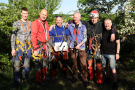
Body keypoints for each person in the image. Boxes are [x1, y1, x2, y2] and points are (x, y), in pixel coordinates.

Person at [81, 10, 117, 87]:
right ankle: (91, 78)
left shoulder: (101, 24)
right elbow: (77, 20)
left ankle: (99, 81)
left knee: (98, 65)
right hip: (89, 48)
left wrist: (113, 32)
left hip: (98, 49)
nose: (93, 19)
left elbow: (112, 25)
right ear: (90, 18)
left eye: (95, 18)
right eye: (92, 18)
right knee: (90, 65)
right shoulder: (87, 23)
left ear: (98, 18)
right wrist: (69, 22)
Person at [11, 7, 32, 88]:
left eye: (26, 13)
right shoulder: (16, 23)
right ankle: (16, 82)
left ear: (28, 14)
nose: (25, 15)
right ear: (21, 13)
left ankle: (25, 78)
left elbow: (33, 35)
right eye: (24, 13)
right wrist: (12, 48)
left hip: (28, 47)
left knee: (26, 65)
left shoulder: (31, 23)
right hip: (19, 47)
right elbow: (13, 36)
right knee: (17, 65)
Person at [68, 12, 89, 87]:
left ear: (80, 18)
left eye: (76, 17)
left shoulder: (83, 27)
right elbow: (61, 25)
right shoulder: (70, 25)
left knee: (83, 64)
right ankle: (75, 77)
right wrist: (52, 26)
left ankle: (85, 79)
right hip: (72, 47)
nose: (75, 18)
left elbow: (85, 38)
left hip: (81, 47)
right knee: (74, 63)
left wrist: (79, 45)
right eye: (74, 17)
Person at [48, 16, 71, 83]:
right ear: (55, 21)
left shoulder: (66, 28)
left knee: (65, 62)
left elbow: (69, 38)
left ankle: (66, 74)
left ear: (62, 21)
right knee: (54, 62)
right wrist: (53, 45)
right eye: (57, 20)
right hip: (55, 48)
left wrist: (68, 45)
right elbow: (49, 40)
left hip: (64, 48)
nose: (58, 21)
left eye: (59, 20)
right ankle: (53, 76)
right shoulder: (52, 28)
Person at [31, 9, 50, 86]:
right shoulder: (35, 23)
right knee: (38, 63)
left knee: (44, 63)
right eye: (42, 14)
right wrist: (35, 48)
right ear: (39, 14)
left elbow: (47, 32)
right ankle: (38, 80)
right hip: (38, 46)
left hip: (45, 45)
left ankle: (44, 77)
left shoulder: (46, 23)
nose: (44, 16)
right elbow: (33, 36)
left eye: (45, 15)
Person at [101, 19, 120, 90]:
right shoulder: (102, 31)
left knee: (113, 69)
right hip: (103, 53)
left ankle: (115, 83)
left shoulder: (115, 32)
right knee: (105, 67)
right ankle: (107, 78)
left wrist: (117, 53)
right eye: (105, 23)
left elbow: (118, 43)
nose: (106, 25)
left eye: (108, 23)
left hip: (112, 53)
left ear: (111, 24)